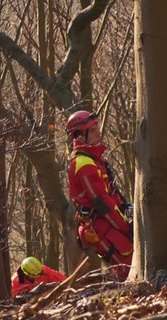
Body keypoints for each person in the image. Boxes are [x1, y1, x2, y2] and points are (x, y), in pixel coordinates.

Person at [67, 110, 133, 280]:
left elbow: (111, 195)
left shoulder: (94, 160)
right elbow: (102, 204)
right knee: (128, 263)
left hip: (108, 222)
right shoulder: (84, 165)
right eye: (94, 130)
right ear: (81, 136)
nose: (99, 133)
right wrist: (126, 227)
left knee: (131, 258)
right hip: (99, 226)